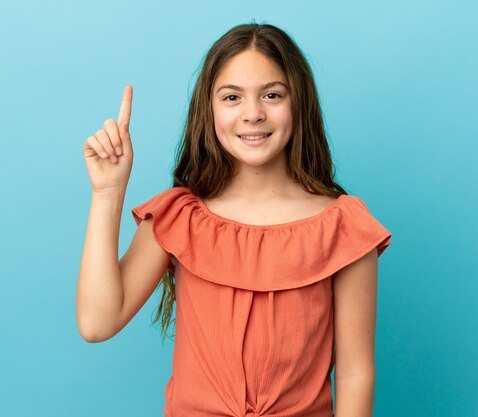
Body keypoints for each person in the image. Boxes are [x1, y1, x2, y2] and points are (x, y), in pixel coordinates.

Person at [77, 22, 392, 417]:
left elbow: (354, 373)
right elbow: (96, 322)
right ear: (208, 109)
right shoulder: (180, 217)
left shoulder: (342, 226)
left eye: (272, 95)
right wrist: (108, 193)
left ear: (299, 104)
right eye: (232, 97)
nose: (253, 114)